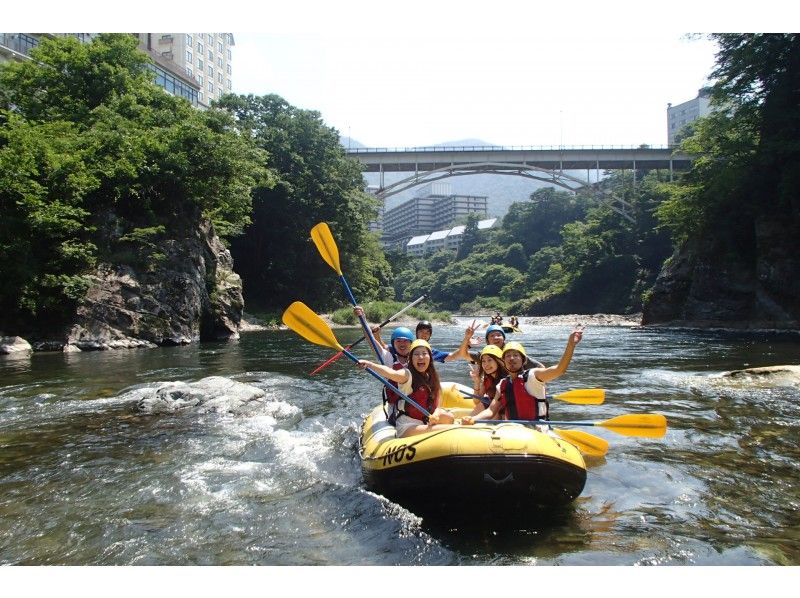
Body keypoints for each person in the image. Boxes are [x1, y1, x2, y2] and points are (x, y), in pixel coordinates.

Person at [461, 327, 583, 425]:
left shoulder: (534, 376)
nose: (511, 358)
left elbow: (559, 370)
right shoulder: (502, 384)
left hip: (536, 430)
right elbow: (490, 410)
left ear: (523, 360)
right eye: (508, 356)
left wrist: (571, 345)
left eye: (515, 355)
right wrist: (474, 419)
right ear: (503, 361)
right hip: (512, 430)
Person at [357, 339, 455, 437]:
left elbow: (437, 401)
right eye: (416, 354)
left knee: (448, 417)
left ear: (430, 357)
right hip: (408, 425)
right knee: (448, 430)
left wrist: (437, 413)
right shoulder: (407, 375)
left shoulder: (432, 376)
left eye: (424, 353)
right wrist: (370, 365)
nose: (421, 357)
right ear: (411, 359)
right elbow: (391, 373)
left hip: (425, 421)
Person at [467, 344, 508, 416]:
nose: (486, 364)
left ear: (498, 361)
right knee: (484, 403)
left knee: (487, 403)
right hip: (493, 409)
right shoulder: (487, 378)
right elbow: (476, 401)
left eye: (489, 360)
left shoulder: (506, 379)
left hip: (505, 412)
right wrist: (477, 382)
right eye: (483, 361)